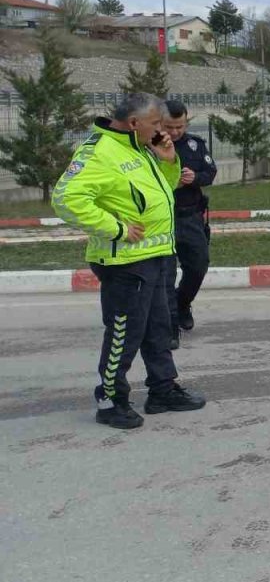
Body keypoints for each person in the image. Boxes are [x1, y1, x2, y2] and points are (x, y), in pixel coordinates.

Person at [51, 93, 207, 430]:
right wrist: (117, 229)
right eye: (155, 123)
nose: (161, 130)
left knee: (159, 328)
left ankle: (163, 390)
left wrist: (169, 161)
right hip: (125, 263)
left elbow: (161, 193)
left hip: (156, 255)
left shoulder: (140, 148)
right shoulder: (99, 152)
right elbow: (65, 199)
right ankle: (110, 400)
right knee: (125, 333)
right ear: (134, 123)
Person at [163, 100, 216, 340]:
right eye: (170, 127)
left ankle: (182, 303)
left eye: (180, 127)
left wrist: (195, 177)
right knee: (166, 274)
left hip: (191, 216)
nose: (175, 132)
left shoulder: (195, 145)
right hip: (163, 219)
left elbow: (210, 173)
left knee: (198, 266)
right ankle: (169, 325)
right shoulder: (150, 145)